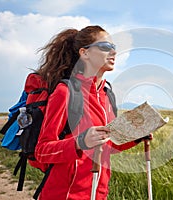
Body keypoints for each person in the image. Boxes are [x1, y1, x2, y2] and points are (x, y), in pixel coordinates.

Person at [34, 25, 146, 200]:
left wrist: (137, 135)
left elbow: (109, 146)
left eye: (114, 47)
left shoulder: (107, 95)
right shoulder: (66, 92)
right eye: (105, 47)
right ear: (84, 53)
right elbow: (42, 151)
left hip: (98, 193)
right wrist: (79, 142)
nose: (114, 52)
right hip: (64, 195)